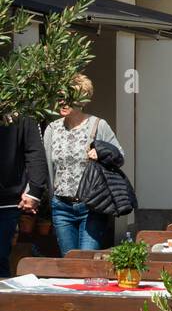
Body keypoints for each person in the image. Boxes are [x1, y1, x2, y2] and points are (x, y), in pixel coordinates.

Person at [43, 74, 124, 255]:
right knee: (69, 263)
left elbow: (119, 156)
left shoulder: (98, 125)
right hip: (61, 207)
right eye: (60, 98)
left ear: (82, 100)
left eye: (69, 99)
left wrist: (102, 153)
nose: (63, 103)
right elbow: (46, 166)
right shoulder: (52, 129)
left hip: (92, 207)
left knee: (86, 261)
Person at [0, 114, 49, 279]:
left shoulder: (21, 110)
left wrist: (35, 191)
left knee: (0, 257)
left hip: (6, 199)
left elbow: (34, 150)